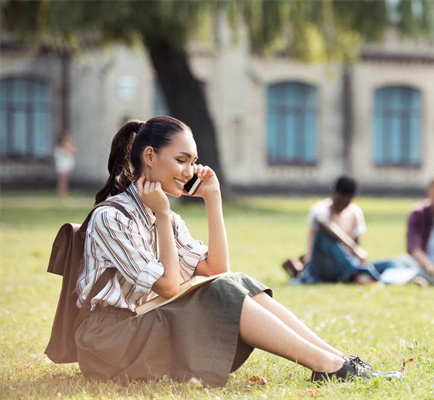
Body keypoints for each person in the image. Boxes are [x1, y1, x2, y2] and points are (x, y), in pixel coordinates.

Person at [74, 116, 399, 386]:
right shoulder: (112, 217)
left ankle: (336, 361)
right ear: (149, 157)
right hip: (112, 342)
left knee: (237, 281)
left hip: (146, 325)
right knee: (222, 289)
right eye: (181, 160)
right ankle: (330, 366)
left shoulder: (167, 217)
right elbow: (170, 287)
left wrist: (212, 199)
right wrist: (161, 214)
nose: (189, 171)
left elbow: (219, 271)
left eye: (193, 162)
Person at [292, 176, 396, 284]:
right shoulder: (321, 208)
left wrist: (357, 254)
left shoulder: (355, 212)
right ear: (333, 192)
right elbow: (323, 223)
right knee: (324, 236)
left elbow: (357, 243)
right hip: (322, 265)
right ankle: (358, 274)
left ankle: (360, 273)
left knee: (391, 263)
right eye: (339, 201)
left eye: (346, 202)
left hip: (345, 264)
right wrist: (352, 247)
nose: (341, 205)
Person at [54, 133, 76, 199]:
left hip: (66, 167)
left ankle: (64, 194)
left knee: (65, 182)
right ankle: (62, 195)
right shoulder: (60, 148)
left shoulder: (64, 147)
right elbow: (68, 153)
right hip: (62, 167)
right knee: (62, 182)